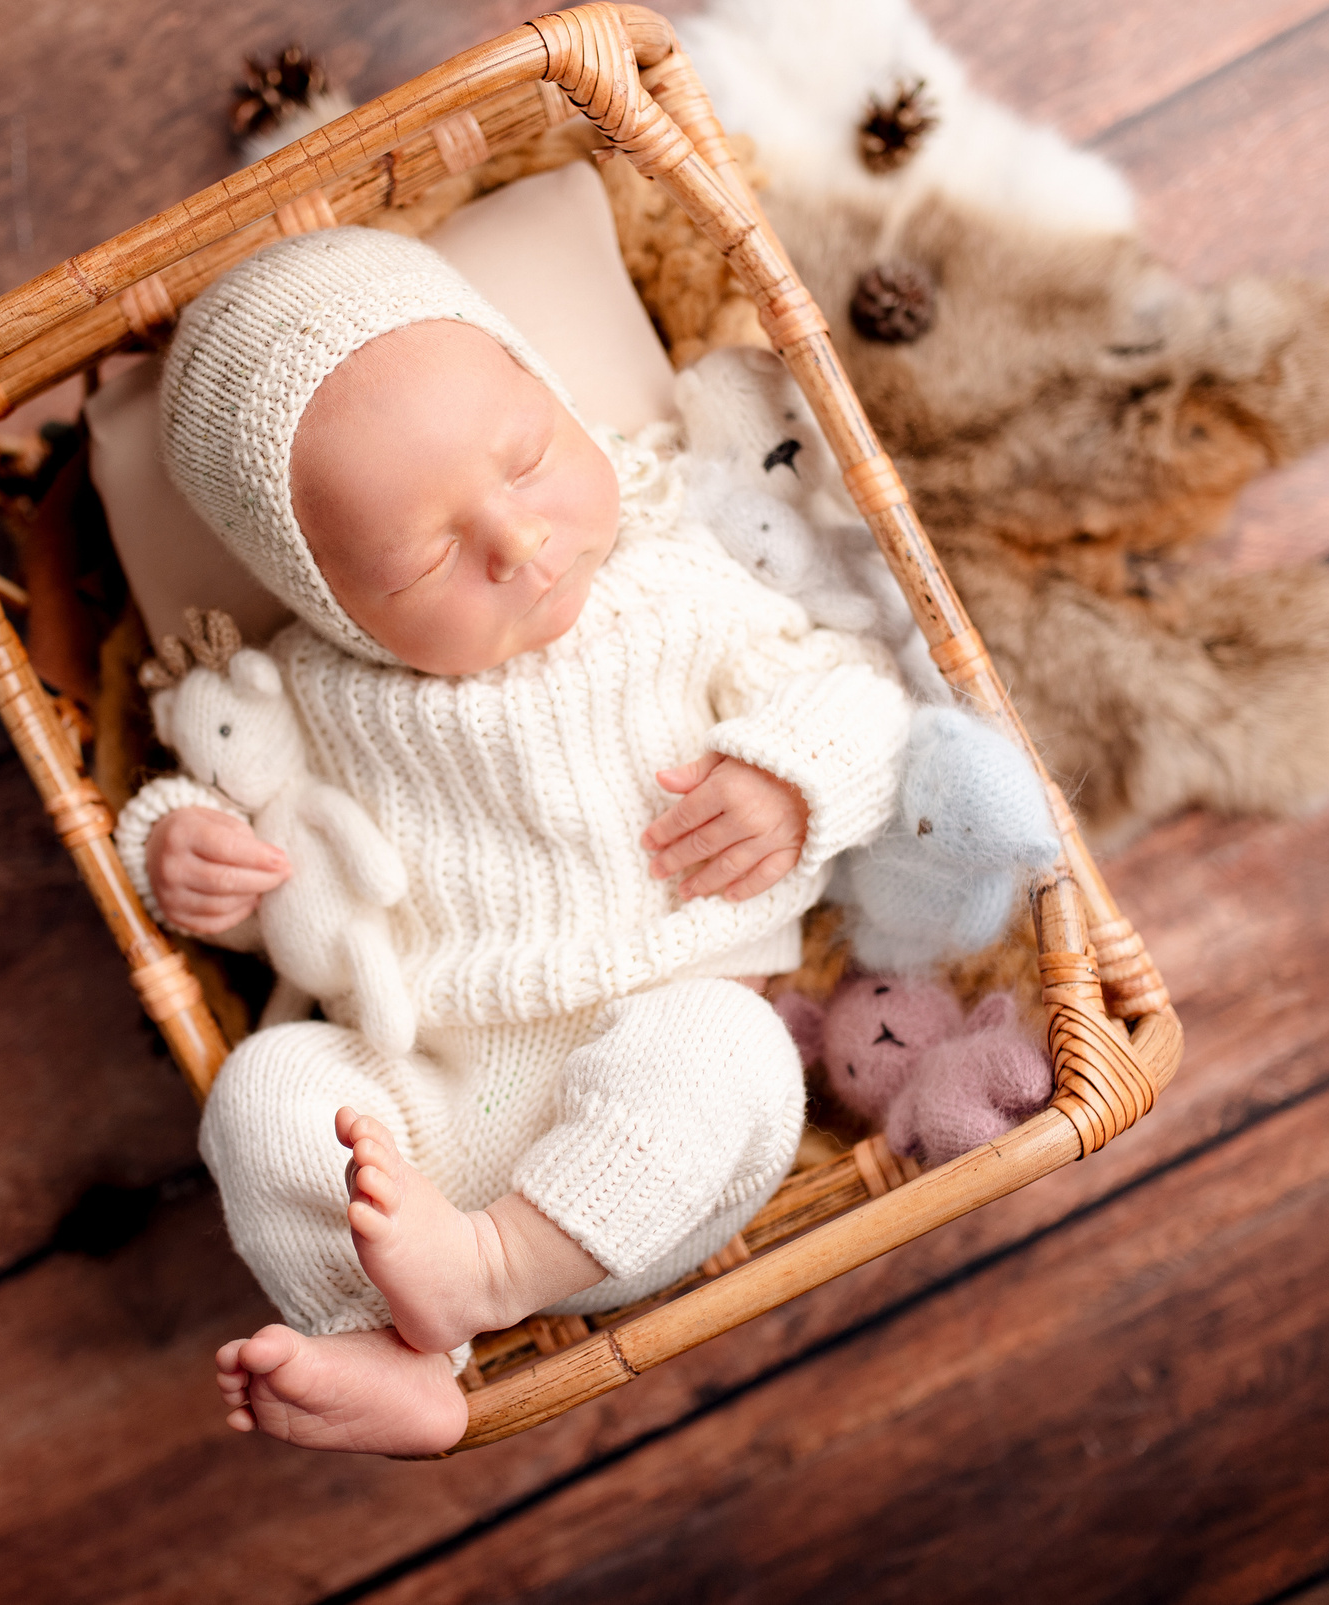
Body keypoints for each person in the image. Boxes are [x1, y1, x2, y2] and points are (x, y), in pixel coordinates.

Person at [110, 227, 913, 1454]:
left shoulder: (678, 582)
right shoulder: (306, 690)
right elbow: (248, 822)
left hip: (645, 1131)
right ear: (325, 593)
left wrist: (790, 776)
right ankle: (385, 1343)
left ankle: (490, 1275)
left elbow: (857, 686)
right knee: (263, 1094)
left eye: (530, 459)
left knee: (727, 1050)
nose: (519, 541)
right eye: (426, 553)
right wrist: (184, 849)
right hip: (422, 1108)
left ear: (548, 384)